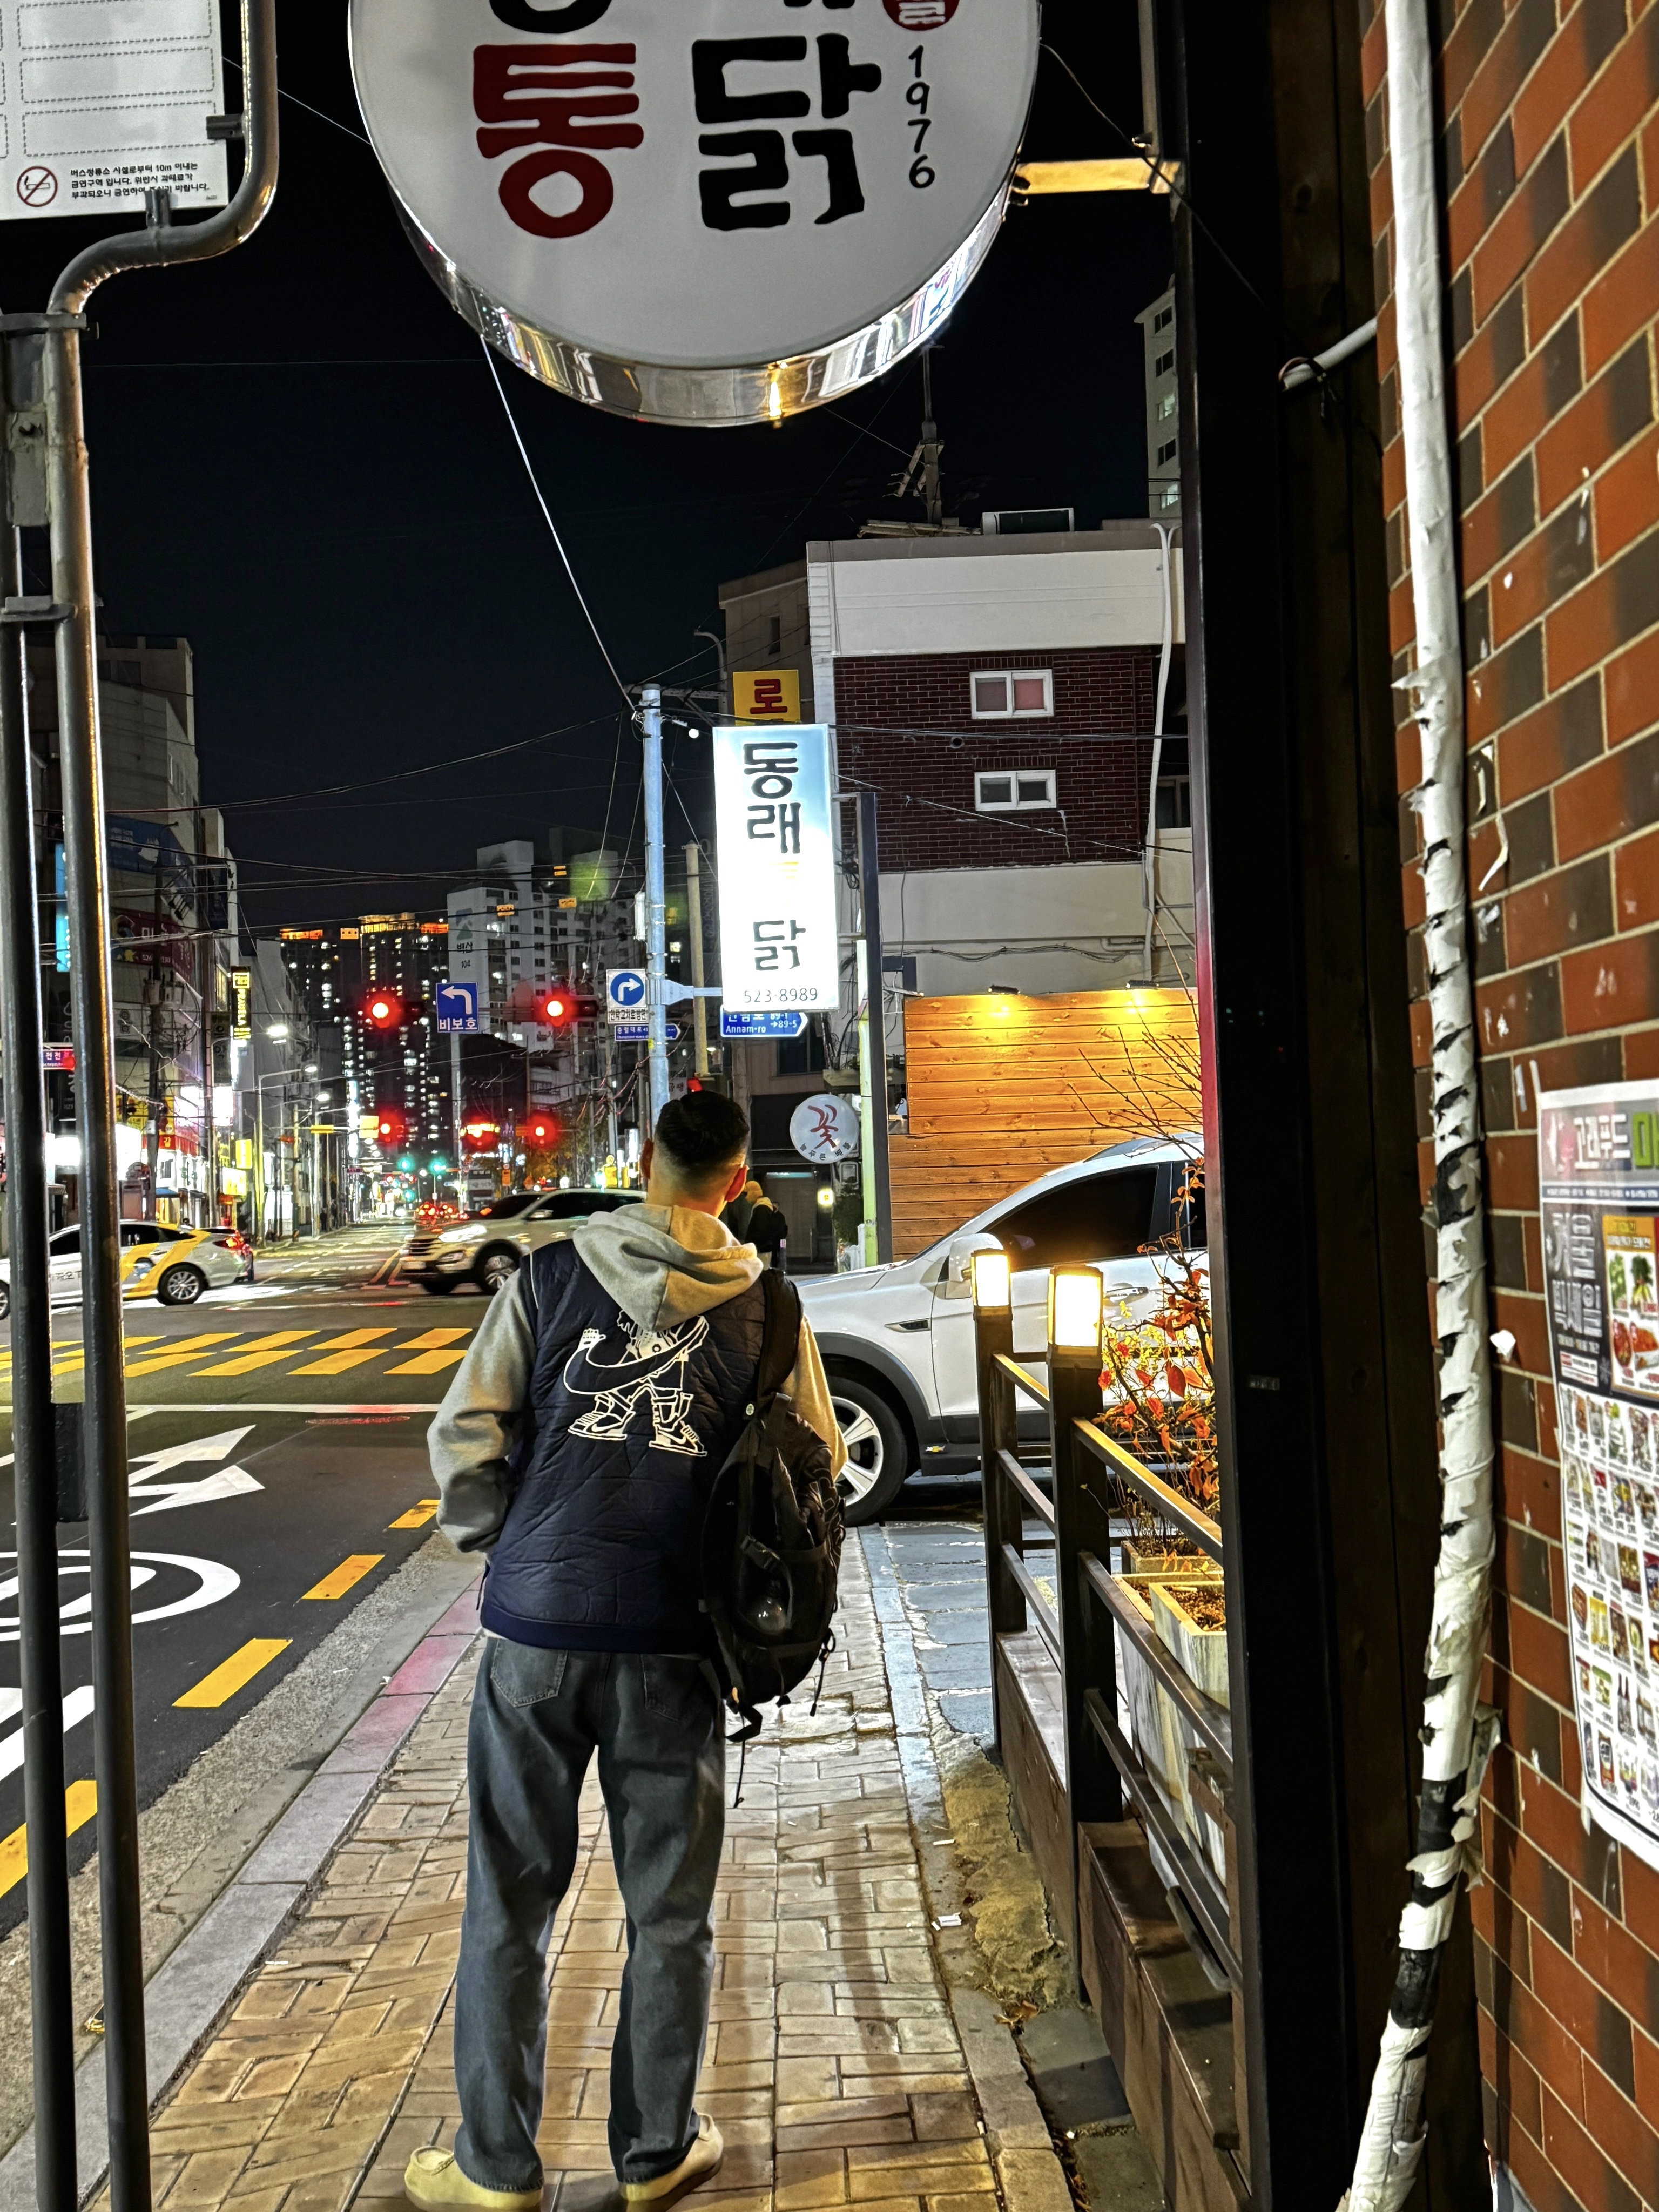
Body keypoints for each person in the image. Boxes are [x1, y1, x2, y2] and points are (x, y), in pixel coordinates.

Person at [404, 1089, 847, 2212]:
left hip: (535, 1634)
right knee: (670, 1908)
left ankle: (494, 2166)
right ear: (740, 1180)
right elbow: (819, 1464)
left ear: (643, 1160)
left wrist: (499, 1542)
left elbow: (465, 1430)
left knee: (508, 1896)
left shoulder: (548, 1275)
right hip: (674, 1638)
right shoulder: (771, 1307)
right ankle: (655, 2149)